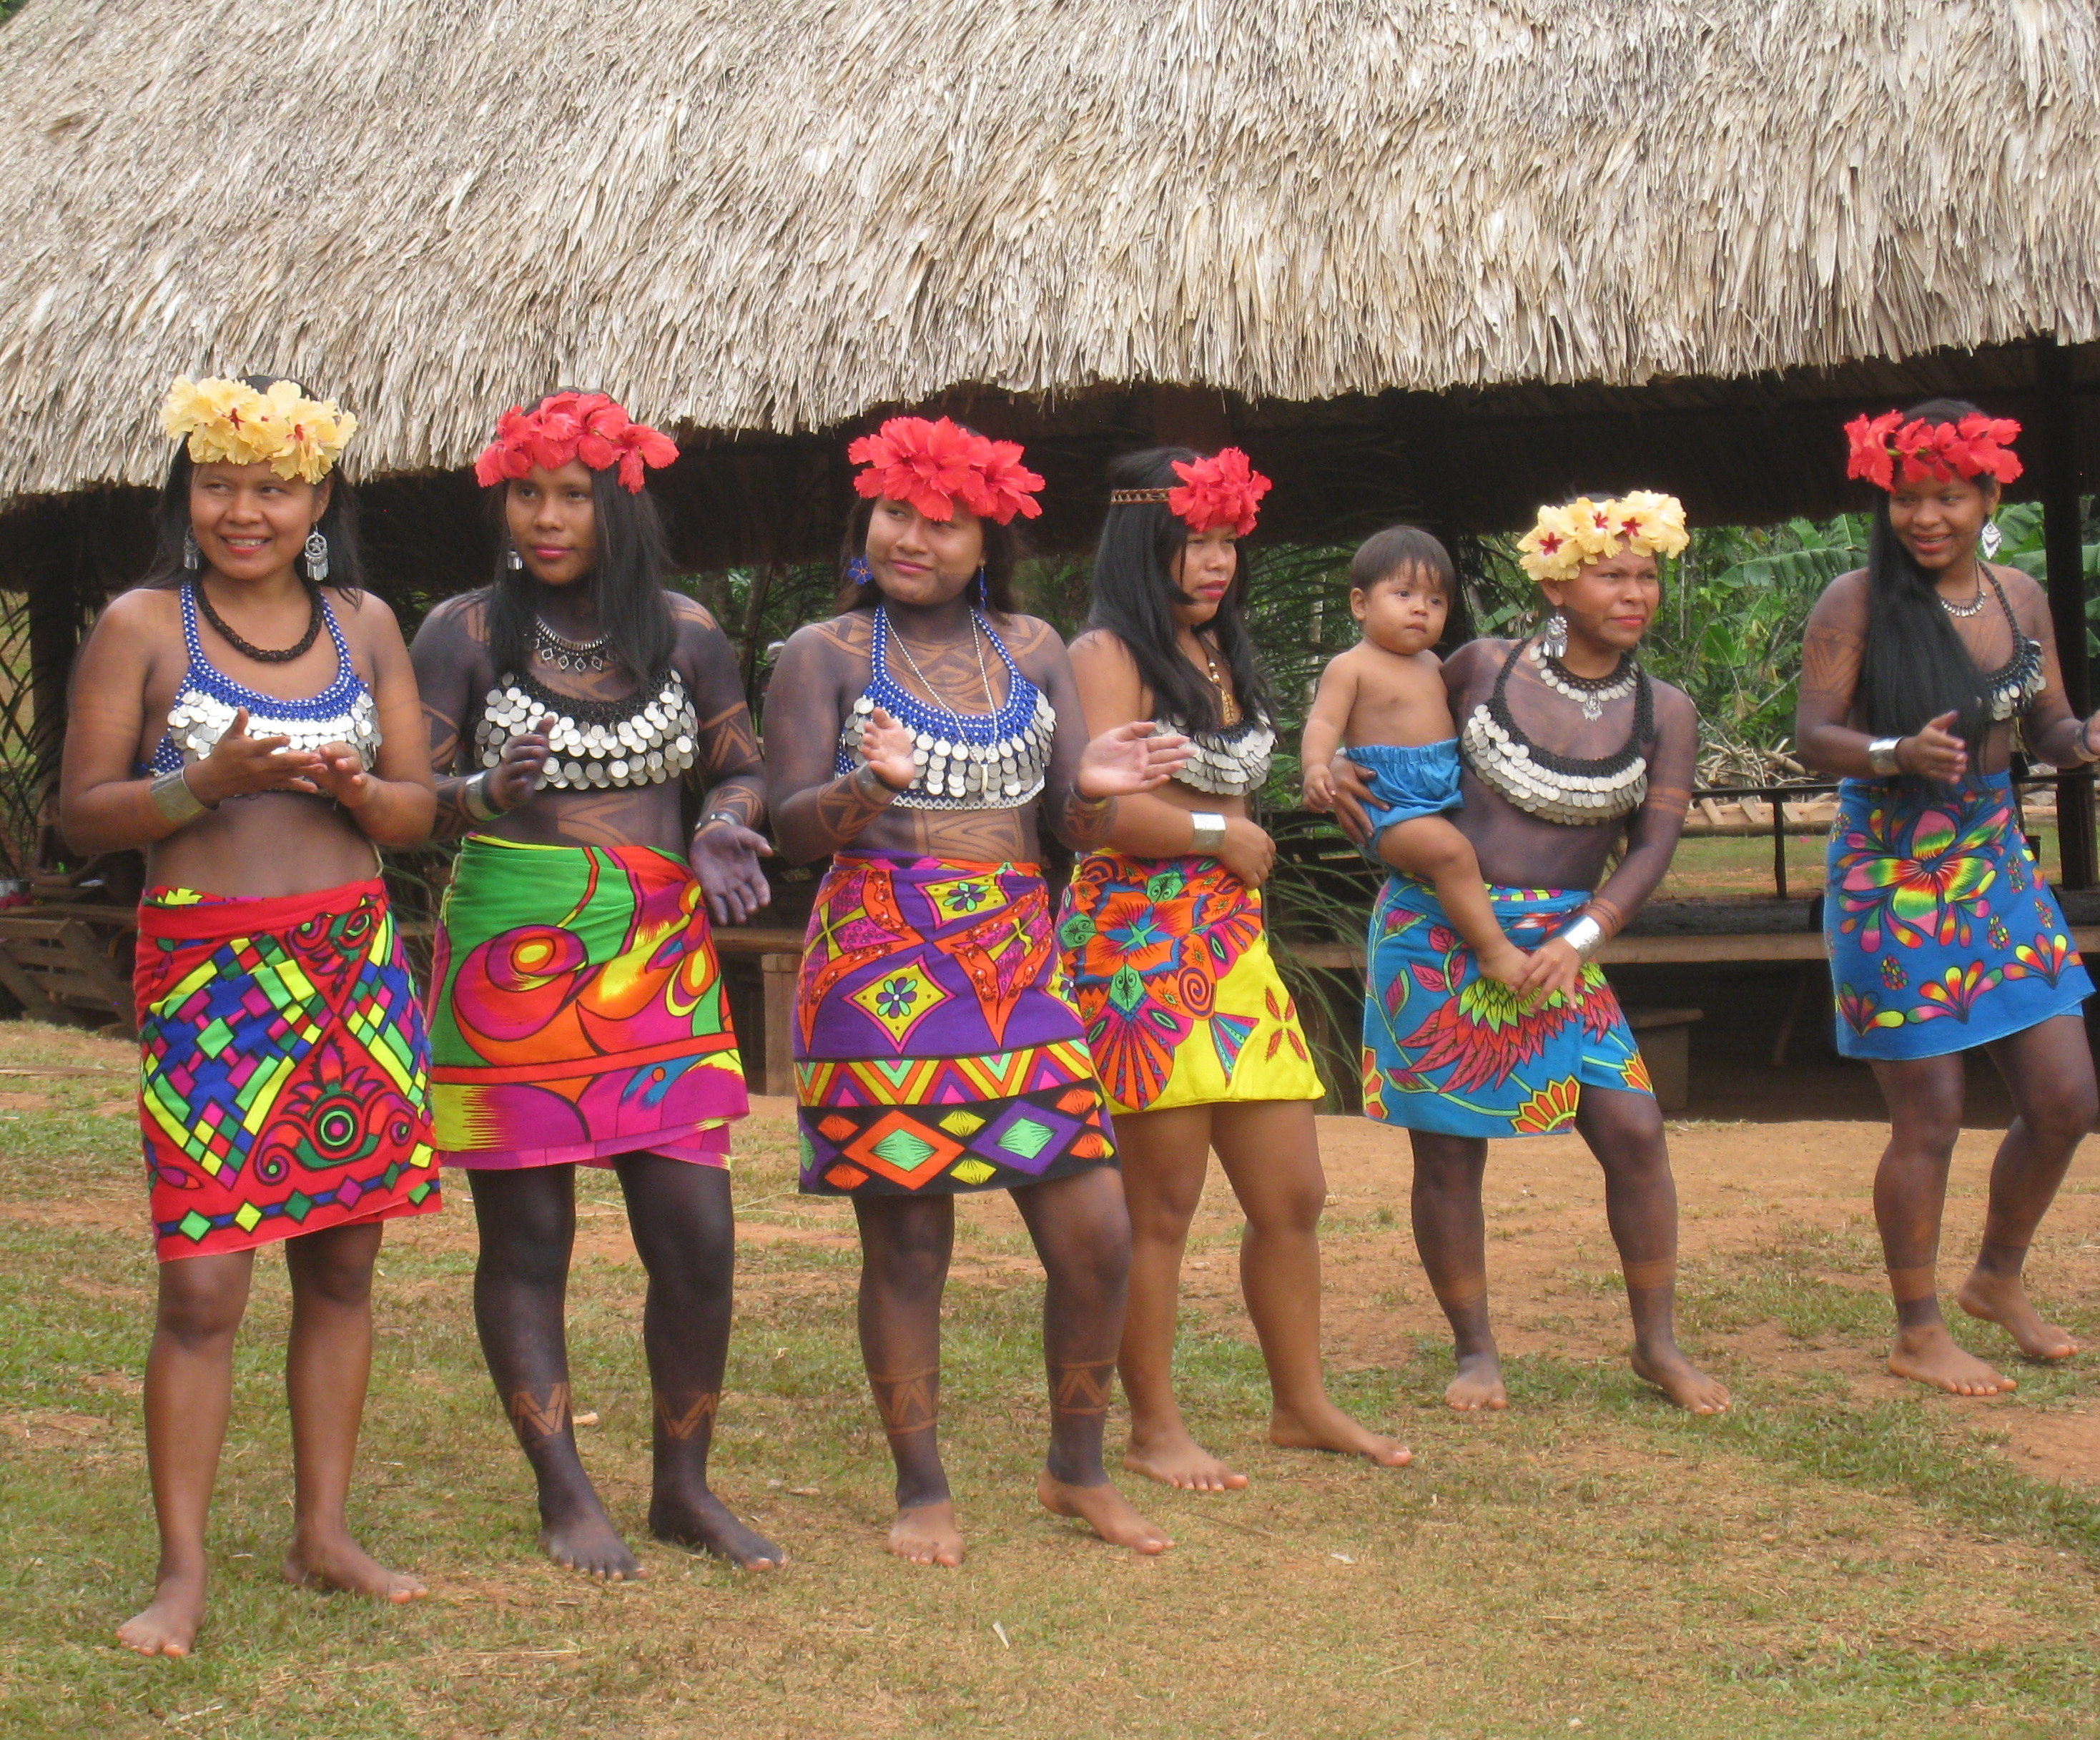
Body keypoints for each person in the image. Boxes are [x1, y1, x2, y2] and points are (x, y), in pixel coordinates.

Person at [764, 415, 1189, 1564]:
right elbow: (793, 831)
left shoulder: (1036, 646)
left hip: (1014, 964)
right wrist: (864, 784)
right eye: (898, 512)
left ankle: (1077, 1467)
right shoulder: (826, 653)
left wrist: (1094, 790)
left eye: (945, 521)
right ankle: (922, 1486)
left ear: (986, 536)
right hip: (877, 966)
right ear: (869, 520)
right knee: (906, 1245)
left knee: (1096, 1232)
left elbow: (1067, 822)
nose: (915, 537)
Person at [61, 375, 438, 1656]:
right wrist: (197, 783)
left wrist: (357, 791)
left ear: (318, 498)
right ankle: (180, 1570)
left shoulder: (366, 624)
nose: (244, 509)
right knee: (205, 1283)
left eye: (273, 486)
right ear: (188, 493)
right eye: (219, 483)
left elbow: (416, 811)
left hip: (350, 967)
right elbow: (84, 812)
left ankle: (321, 1528)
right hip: (211, 982)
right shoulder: (141, 624)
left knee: (341, 1258)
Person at [410, 391, 780, 1578]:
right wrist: (482, 793)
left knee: (697, 1235)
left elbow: (741, 765)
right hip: (510, 953)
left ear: (622, 503)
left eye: (575, 493)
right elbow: (403, 795)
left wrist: (726, 821)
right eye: (529, 492)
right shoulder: (463, 631)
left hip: (658, 956)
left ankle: (684, 1482)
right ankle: (563, 1488)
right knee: (528, 1236)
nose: (548, 515)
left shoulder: (684, 629)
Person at [1063, 447, 1412, 1492]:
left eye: (1227, 539)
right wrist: (1218, 830)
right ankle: (1152, 1427)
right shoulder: (1104, 647)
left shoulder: (1217, 647)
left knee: (1291, 1190)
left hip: (1228, 945)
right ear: (1143, 536)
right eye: (1194, 538)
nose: (1216, 561)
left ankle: (1300, 1404)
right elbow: (1101, 811)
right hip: (1136, 945)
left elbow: (1232, 799)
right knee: (1161, 1201)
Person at [1341, 490, 1729, 1416]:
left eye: (1647, 577)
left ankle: (1656, 1344)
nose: (1635, 593)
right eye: (1613, 574)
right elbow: (1390, 750)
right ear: (1559, 582)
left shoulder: (1660, 709)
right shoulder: (1477, 666)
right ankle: (1474, 1351)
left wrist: (1584, 935)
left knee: (1634, 1131)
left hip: (1564, 942)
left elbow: (1652, 849)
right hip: (1436, 929)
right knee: (1447, 1154)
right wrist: (1338, 772)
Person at [1795, 400, 2095, 1395]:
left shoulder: (2016, 596)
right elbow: (1813, 734)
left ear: (1988, 495)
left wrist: (2079, 742)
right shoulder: (1855, 600)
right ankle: (1915, 1326)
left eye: (1946, 497)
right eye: (1906, 498)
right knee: (1929, 1113)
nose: (1925, 517)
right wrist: (1893, 750)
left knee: (2064, 1098)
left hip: (1996, 867)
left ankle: (1995, 1279)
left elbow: (2045, 720)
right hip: (1888, 873)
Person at [1302, 526, 1525, 987]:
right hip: (1390, 803)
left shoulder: (1434, 665)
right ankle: (1494, 951)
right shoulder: (1351, 666)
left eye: (1436, 601)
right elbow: (1324, 722)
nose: (1421, 608)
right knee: (1451, 854)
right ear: (1360, 604)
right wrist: (1318, 766)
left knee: (1481, 849)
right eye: (1403, 594)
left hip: (1443, 794)